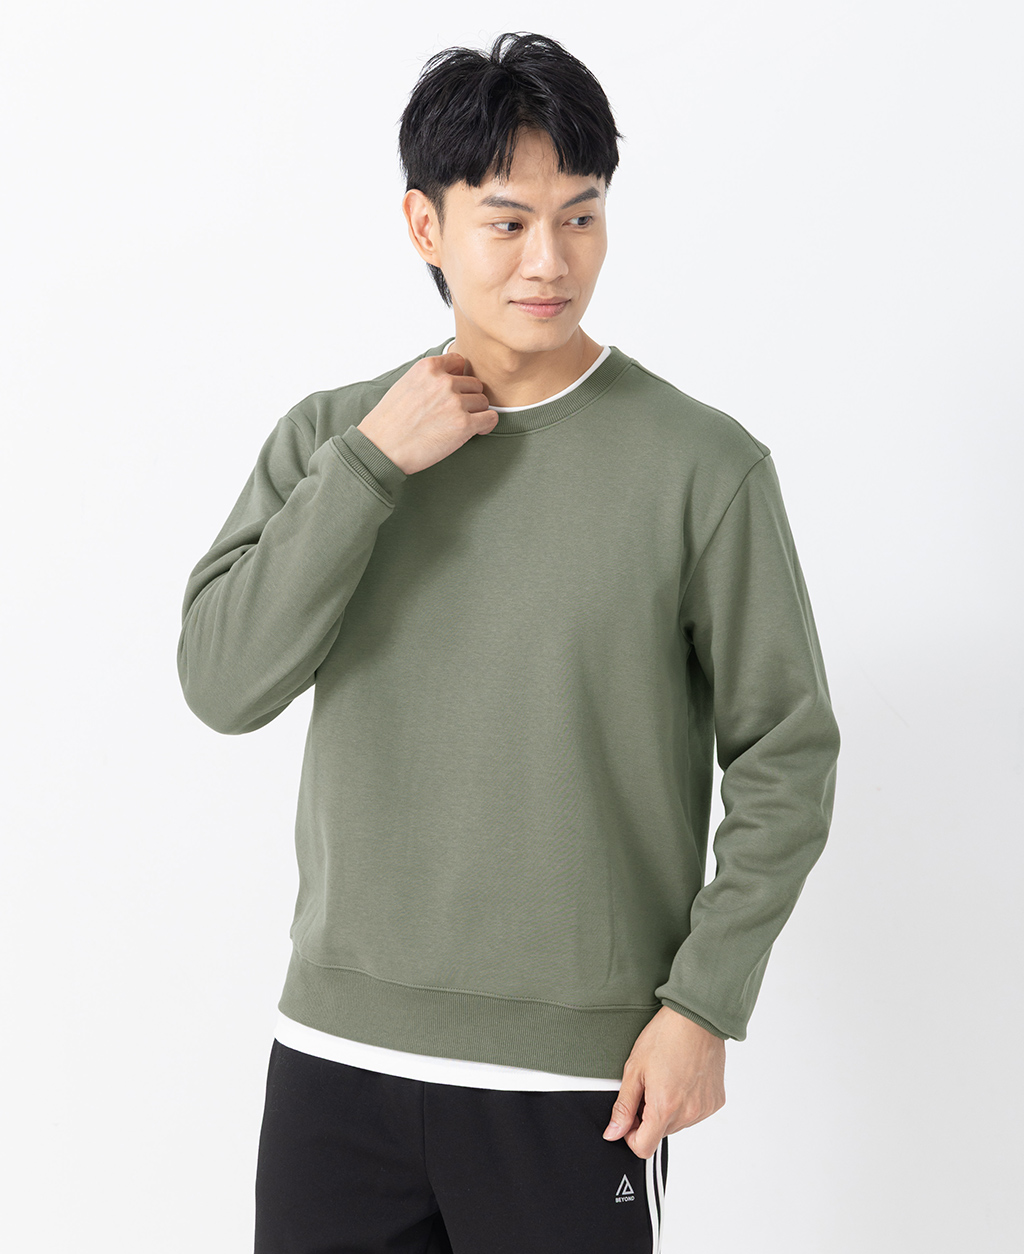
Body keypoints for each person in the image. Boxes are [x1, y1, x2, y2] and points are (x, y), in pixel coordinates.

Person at [177, 30, 841, 1254]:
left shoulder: (702, 467)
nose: (550, 259)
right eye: (508, 222)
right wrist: (372, 468)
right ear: (424, 226)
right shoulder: (334, 437)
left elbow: (786, 754)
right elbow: (222, 684)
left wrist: (704, 1005)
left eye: (580, 217)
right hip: (334, 1061)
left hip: (575, 1082)